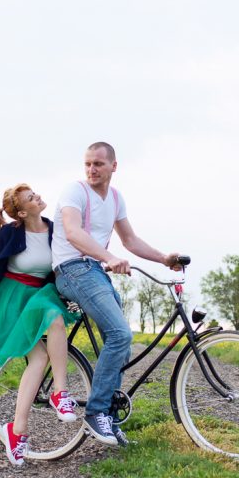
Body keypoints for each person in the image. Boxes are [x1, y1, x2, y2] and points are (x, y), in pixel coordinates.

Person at [52, 142, 181, 447]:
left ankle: (107, 414)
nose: (91, 170)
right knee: (121, 334)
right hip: (72, 268)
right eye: (87, 164)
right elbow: (72, 232)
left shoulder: (115, 198)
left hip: (94, 270)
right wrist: (107, 257)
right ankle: (96, 413)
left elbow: (131, 239)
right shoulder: (74, 192)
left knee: (121, 347)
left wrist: (163, 258)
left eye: (98, 164)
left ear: (113, 166)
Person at [0, 184, 79, 466]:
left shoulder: (54, 228)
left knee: (56, 320)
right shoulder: (11, 233)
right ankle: (17, 430)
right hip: (11, 299)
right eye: (30, 198)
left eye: (35, 193)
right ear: (22, 212)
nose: (38, 196)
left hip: (41, 296)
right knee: (38, 358)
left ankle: (60, 392)